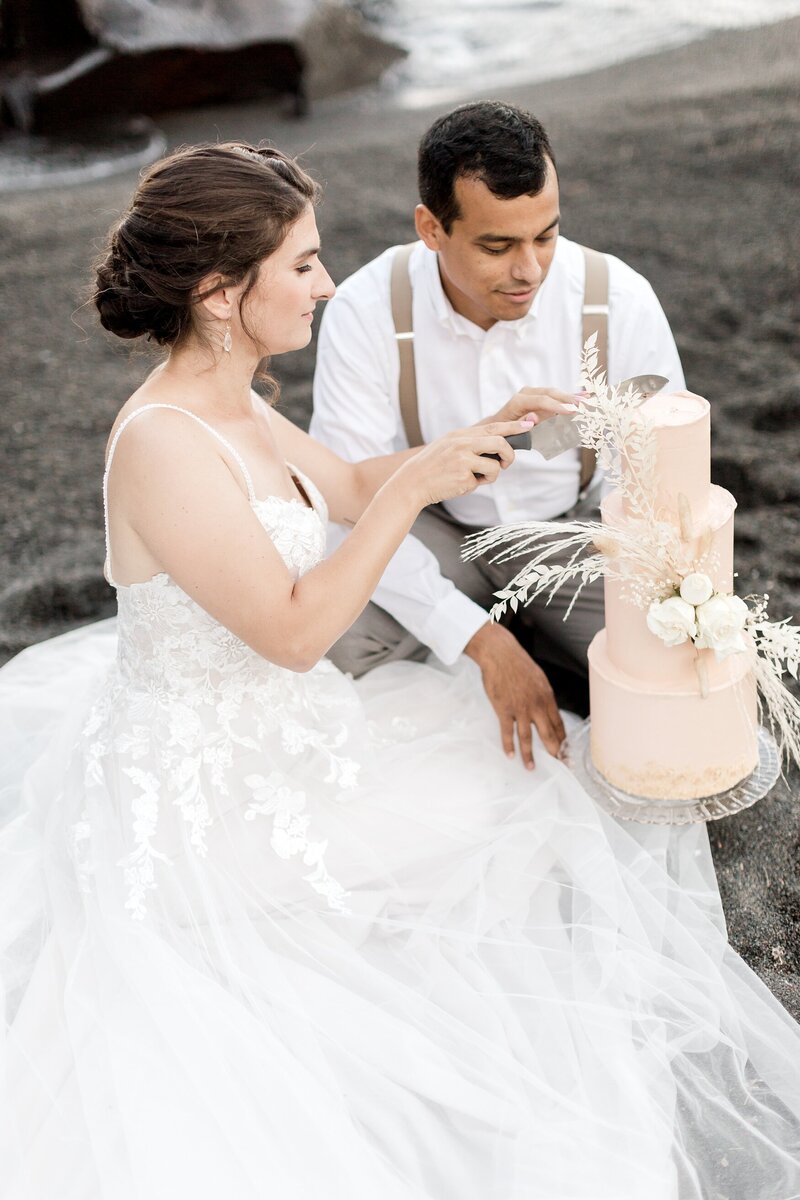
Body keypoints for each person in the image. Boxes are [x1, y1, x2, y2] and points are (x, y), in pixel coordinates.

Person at [1, 141, 799, 1200]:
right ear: (217, 292)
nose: (326, 284)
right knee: (500, 826)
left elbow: (336, 483)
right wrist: (407, 494)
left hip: (292, 723)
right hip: (213, 785)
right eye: (300, 265)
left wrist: (474, 438)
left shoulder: (234, 398)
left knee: (518, 788)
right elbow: (289, 631)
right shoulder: (162, 439)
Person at [311, 100, 686, 766]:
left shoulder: (618, 300)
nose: (531, 270)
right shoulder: (367, 309)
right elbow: (351, 505)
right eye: (497, 245)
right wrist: (482, 641)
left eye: (545, 235)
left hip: (574, 530)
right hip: (431, 525)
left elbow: (659, 480)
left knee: (677, 666)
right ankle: (507, 639)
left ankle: (554, 639)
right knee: (339, 643)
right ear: (431, 228)